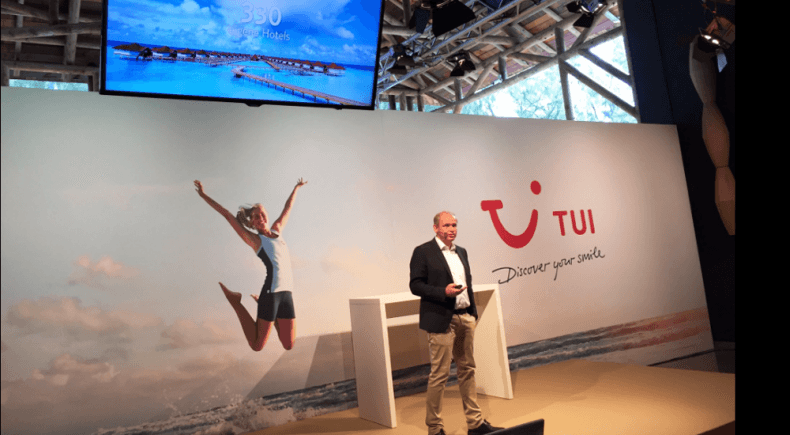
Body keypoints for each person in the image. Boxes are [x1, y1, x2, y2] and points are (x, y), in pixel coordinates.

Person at [409, 211, 504, 435]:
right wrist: (443, 291)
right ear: (435, 228)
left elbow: (468, 283)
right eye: (446, 225)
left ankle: (475, 423)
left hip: (465, 318)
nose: (452, 229)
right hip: (441, 318)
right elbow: (415, 285)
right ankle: (435, 429)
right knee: (440, 375)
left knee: (467, 370)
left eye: (454, 225)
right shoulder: (423, 252)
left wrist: (472, 314)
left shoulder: (461, 251)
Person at [194, 178, 306, 352]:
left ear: (267, 215)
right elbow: (227, 215)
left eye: (262, 214)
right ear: (252, 223)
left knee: (289, 344)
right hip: (271, 294)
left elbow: (288, 207)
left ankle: (265, 309)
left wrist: (296, 188)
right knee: (256, 345)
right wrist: (203, 195)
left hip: (287, 293)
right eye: (256, 217)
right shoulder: (255, 240)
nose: (260, 218)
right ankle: (236, 302)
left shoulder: (277, 229)